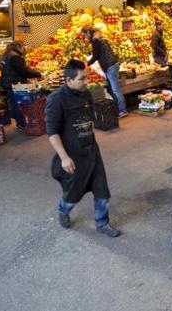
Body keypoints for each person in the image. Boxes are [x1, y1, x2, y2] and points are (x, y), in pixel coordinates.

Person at [45, 59, 120, 238]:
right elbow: (52, 132)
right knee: (73, 194)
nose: (86, 82)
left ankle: (102, 223)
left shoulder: (86, 93)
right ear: (68, 80)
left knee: (102, 189)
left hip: (91, 151)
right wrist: (64, 157)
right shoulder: (56, 100)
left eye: (86, 77)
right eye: (81, 79)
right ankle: (63, 209)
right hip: (73, 156)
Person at [83, 26, 128, 118]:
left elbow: (95, 56)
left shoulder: (95, 40)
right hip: (112, 64)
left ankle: (122, 110)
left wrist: (86, 64)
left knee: (115, 89)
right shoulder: (99, 38)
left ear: (87, 33)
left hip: (110, 65)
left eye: (84, 34)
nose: (84, 36)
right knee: (112, 88)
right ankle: (118, 108)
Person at [0, 41, 42, 130]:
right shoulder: (15, 57)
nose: (23, 49)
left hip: (8, 82)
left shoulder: (6, 54)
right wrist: (38, 74)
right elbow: (23, 72)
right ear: (19, 47)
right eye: (23, 47)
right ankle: (22, 124)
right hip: (15, 83)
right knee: (19, 104)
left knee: (14, 103)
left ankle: (20, 123)